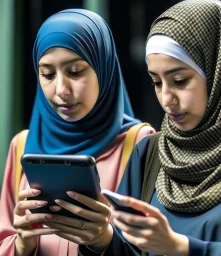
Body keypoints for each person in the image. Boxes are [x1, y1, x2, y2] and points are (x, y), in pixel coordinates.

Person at [66, 0, 221, 255]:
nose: (166, 99)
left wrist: (180, 248)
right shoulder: (150, 154)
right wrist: (101, 239)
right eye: (156, 82)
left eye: (180, 80)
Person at [0, 9, 155, 256]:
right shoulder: (23, 144)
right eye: (48, 74)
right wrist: (21, 244)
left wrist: (103, 239)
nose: (61, 89)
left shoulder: (139, 142)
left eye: (75, 72)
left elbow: (154, 248)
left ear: (103, 69)